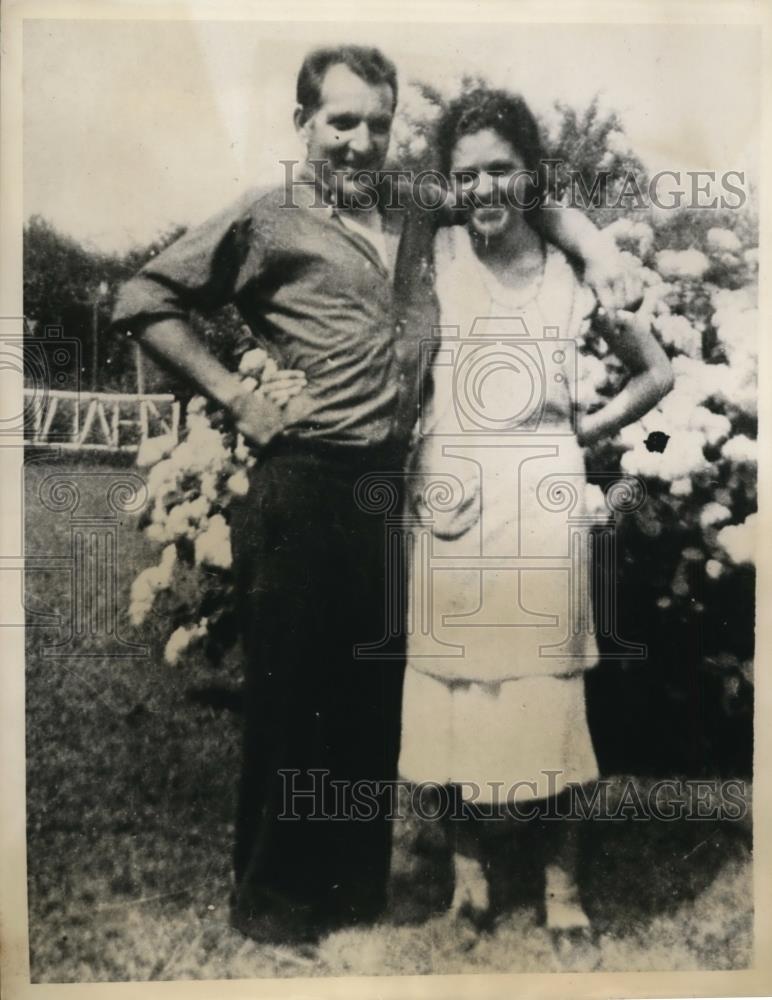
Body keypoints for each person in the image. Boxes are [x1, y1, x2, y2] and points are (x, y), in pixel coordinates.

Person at [112, 45, 641, 944]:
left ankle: (352, 891)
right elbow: (145, 296)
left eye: (377, 123)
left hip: (393, 485)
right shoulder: (270, 217)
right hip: (305, 478)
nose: (360, 141)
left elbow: (509, 192)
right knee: (290, 698)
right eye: (341, 121)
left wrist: (592, 243)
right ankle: (275, 904)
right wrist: (237, 395)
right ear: (304, 124)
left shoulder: (413, 209)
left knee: (364, 700)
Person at [397, 87, 674, 940]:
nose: (484, 190)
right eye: (467, 174)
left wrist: (575, 432)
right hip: (452, 492)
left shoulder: (571, 273)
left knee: (550, 700)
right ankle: (469, 884)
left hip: (542, 501)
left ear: (534, 175)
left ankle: (563, 892)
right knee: (454, 695)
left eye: (504, 172)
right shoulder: (435, 250)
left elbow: (655, 374)